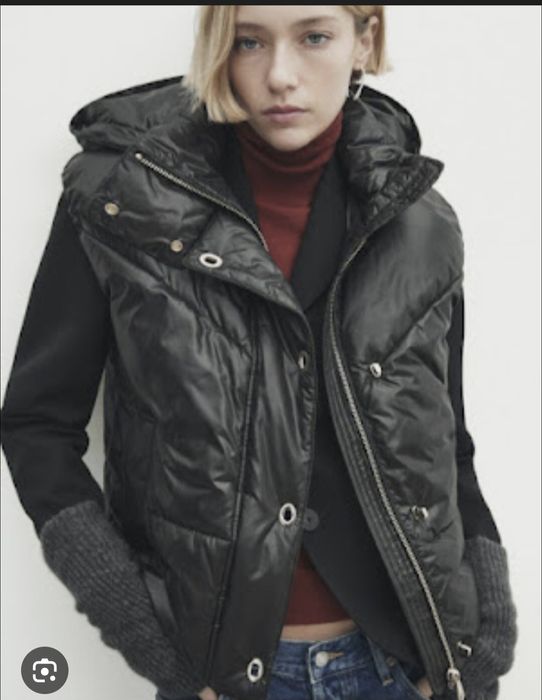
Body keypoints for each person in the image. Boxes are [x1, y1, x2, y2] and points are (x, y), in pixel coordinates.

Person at [0, 5, 518, 700]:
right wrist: (143, 628)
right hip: (231, 675)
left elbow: (446, 444)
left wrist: (483, 640)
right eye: (248, 42)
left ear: (364, 41)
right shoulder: (120, 201)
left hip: (408, 665)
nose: (280, 75)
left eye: (314, 37)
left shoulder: (418, 220)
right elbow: (37, 426)